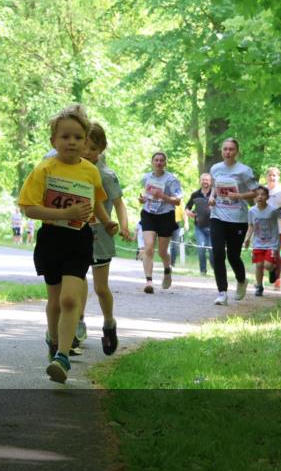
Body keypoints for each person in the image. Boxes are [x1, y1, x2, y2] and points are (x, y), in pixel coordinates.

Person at [18, 104, 117, 384]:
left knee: (70, 298)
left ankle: (62, 354)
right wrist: (64, 214)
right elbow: (29, 208)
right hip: (51, 238)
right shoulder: (45, 169)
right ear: (53, 141)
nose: (71, 142)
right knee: (54, 302)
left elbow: (95, 201)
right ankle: (53, 338)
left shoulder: (90, 171)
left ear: (86, 141)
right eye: (65, 137)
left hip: (79, 239)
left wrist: (107, 221)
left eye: (77, 137)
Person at [75, 123, 130, 356]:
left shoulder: (106, 175)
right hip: (76, 234)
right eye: (84, 147)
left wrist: (123, 226)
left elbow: (118, 203)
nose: (87, 153)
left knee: (100, 287)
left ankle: (109, 323)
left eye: (93, 148)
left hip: (101, 237)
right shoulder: (72, 170)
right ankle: (77, 323)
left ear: (102, 148)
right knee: (76, 281)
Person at [208, 138, 259, 305]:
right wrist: (211, 197)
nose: (227, 152)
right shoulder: (215, 168)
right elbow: (215, 187)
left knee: (233, 255)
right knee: (217, 254)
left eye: (231, 149)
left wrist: (239, 196)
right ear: (222, 151)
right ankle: (222, 292)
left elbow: (255, 192)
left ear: (236, 151)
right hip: (218, 216)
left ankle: (242, 280)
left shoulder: (244, 170)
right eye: (225, 149)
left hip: (238, 218)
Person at [137, 152, 183, 293]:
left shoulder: (171, 180)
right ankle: (149, 282)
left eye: (161, 160)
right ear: (152, 162)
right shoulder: (146, 177)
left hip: (165, 216)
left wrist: (163, 196)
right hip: (149, 214)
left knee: (163, 251)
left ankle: (167, 270)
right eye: (156, 160)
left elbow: (178, 200)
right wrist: (142, 199)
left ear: (165, 163)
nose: (158, 162)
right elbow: (145, 195)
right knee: (148, 247)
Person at [244, 186, 281, 296]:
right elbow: (251, 226)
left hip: (272, 242)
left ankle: (273, 269)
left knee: (267, 265)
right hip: (258, 242)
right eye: (257, 195)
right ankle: (259, 286)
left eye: (263, 194)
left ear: (267, 197)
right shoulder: (251, 211)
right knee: (258, 265)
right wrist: (247, 239)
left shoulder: (273, 210)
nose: (260, 197)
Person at [186, 173, 215, 274]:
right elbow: (187, 207)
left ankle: (215, 268)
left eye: (207, 180)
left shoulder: (214, 194)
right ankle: (203, 271)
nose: (205, 182)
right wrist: (188, 212)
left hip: (213, 227)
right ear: (200, 181)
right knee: (201, 249)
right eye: (203, 180)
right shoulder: (195, 194)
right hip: (200, 227)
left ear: (210, 182)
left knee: (212, 251)